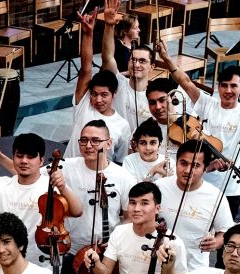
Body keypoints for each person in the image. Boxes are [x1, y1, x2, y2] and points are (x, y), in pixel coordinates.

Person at [159, 44, 240, 214]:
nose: (228, 90)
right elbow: (186, 82)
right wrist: (166, 58)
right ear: (218, 87)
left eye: (233, 86)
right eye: (224, 85)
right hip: (206, 179)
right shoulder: (208, 104)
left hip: (232, 187)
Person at [0, 133, 82, 267]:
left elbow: (77, 211)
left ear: (41, 161)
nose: (24, 161)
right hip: (8, 264)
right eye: (19, 156)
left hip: (42, 265)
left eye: (30, 157)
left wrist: (63, 187)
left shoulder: (51, 186)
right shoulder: (2, 184)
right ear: (13, 157)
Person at [85, 181, 188, 274]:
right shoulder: (119, 232)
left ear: (157, 208)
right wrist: (95, 262)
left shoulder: (173, 241)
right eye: (132, 202)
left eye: (144, 203)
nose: (136, 209)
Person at [60, 120, 137, 274]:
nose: (88, 145)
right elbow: (31, 174)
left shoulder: (124, 177)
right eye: (84, 140)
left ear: (109, 144)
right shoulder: (65, 167)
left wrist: (115, 240)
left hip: (105, 253)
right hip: (70, 250)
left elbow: (129, 217)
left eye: (95, 140)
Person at [155, 141, 234, 271]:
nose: (187, 170)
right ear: (176, 162)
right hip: (158, 265)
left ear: (205, 168)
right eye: (183, 163)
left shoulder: (216, 196)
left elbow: (226, 231)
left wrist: (216, 242)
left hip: (194, 271)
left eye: (196, 165)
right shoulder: (159, 187)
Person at [67, 10, 131, 162]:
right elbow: (86, 68)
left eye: (104, 95)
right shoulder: (84, 103)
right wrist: (88, 34)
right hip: (70, 171)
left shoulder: (122, 125)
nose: (98, 100)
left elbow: (120, 161)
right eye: (94, 94)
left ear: (114, 94)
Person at [102, 0, 153, 132]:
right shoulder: (120, 84)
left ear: (152, 66)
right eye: (133, 60)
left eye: (142, 61)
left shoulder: (154, 98)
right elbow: (107, 58)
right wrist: (109, 25)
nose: (136, 64)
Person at [122, 118, 170, 183]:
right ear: (136, 145)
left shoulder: (168, 162)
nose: (148, 148)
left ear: (159, 144)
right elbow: (131, 188)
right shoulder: (129, 161)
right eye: (143, 143)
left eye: (152, 143)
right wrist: (153, 171)